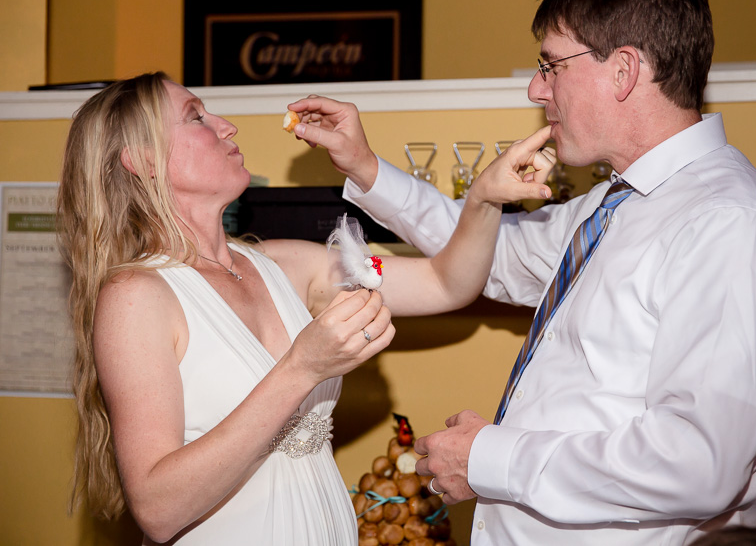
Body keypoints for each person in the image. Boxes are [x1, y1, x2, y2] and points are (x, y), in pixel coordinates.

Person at [288, 0, 756, 546]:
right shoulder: (609, 205)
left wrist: (490, 460)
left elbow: (697, 463)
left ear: (623, 71)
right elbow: (486, 255)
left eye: (552, 65)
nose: (537, 88)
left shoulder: (731, 226)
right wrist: (366, 168)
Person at [58, 72, 553, 545]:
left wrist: (484, 199)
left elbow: (447, 282)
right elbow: (158, 511)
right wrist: (302, 367)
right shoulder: (135, 296)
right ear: (141, 160)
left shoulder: (287, 264)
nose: (225, 126)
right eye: (195, 117)